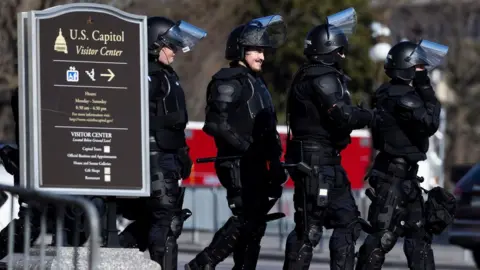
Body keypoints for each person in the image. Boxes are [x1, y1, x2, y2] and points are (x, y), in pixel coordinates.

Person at [185, 15, 288, 270]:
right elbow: (216, 124)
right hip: (236, 163)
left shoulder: (258, 82)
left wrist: (274, 160)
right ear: (240, 49)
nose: (261, 56)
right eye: (255, 50)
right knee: (247, 218)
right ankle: (202, 264)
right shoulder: (228, 79)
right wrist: (247, 150)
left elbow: (267, 127)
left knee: (255, 226)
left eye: (263, 50)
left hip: (257, 163)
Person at [282, 8, 375, 270]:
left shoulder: (309, 74)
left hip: (325, 160)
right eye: (340, 51)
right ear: (330, 50)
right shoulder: (322, 77)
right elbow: (342, 115)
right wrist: (369, 116)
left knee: (348, 222)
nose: (343, 56)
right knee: (309, 229)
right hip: (315, 161)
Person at [355, 39, 456, 270]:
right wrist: (426, 87)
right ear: (407, 66)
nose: (424, 71)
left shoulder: (390, 93)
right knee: (382, 238)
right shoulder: (403, 97)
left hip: (407, 178)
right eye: (420, 67)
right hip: (392, 178)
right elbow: (430, 123)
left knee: (419, 240)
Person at [118, 16, 207, 269]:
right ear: (155, 45)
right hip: (153, 155)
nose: (176, 51)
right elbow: (134, 115)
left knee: (159, 221)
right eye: (172, 45)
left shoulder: (167, 75)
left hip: (168, 155)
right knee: (166, 224)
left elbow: (174, 123)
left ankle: (108, 254)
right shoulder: (147, 74)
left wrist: (182, 153)